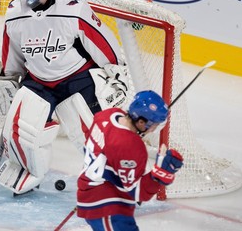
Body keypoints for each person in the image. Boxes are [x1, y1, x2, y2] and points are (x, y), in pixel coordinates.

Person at [0, 0, 126, 195]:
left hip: (77, 78)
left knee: (91, 134)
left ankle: (109, 177)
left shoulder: (73, 7)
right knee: (21, 131)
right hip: (38, 80)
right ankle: (28, 174)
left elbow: (101, 41)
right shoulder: (15, 12)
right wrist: (10, 78)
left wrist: (116, 71)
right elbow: (12, 50)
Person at [76, 90, 184, 231]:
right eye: (153, 125)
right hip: (107, 206)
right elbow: (136, 192)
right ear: (141, 122)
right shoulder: (131, 146)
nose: (153, 130)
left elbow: (104, 147)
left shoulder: (107, 115)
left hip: (92, 191)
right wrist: (161, 174)